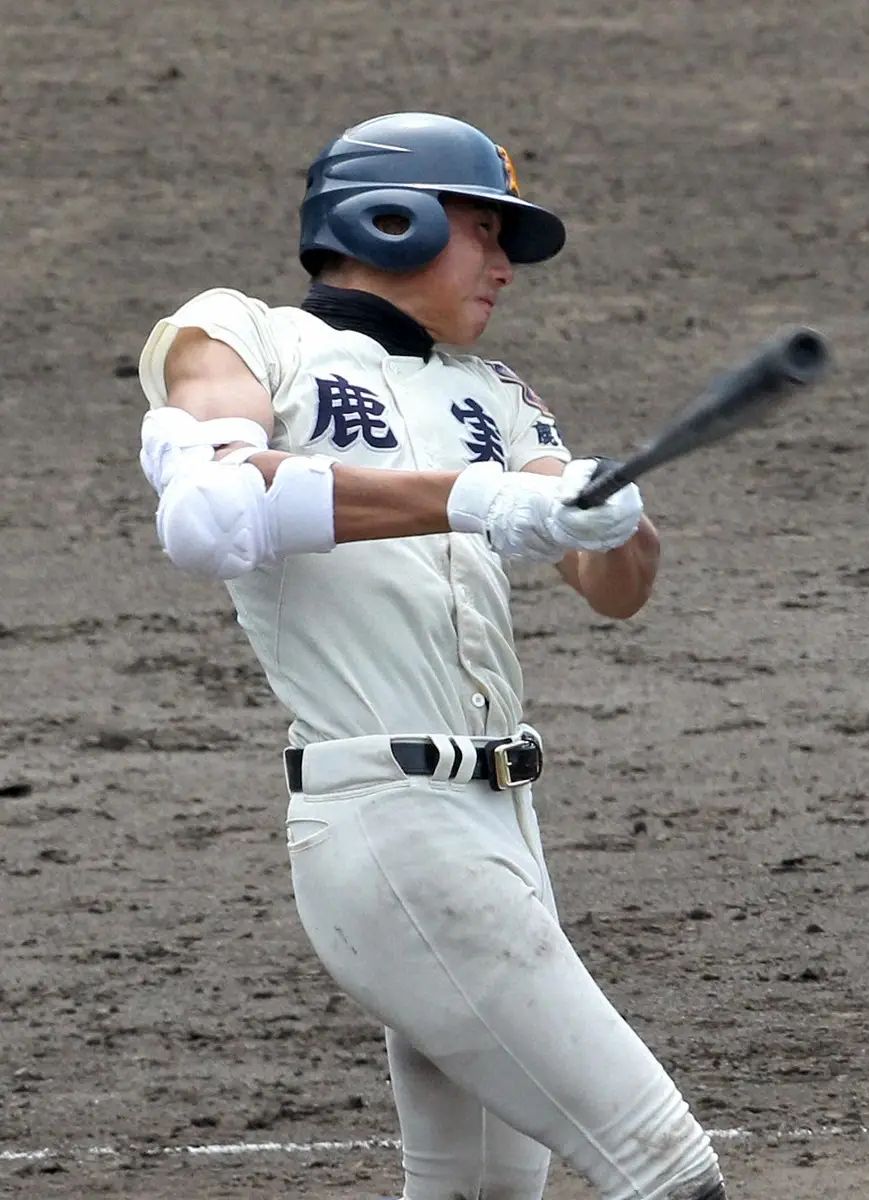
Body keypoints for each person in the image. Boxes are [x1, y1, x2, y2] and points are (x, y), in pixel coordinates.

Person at [137, 112, 727, 1200]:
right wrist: (479, 498)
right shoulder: (241, 336)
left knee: (479, 1194)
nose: (504, 267)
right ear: (389, 219)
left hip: (504, 828)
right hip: (390, 826)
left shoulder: (493, 394)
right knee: (665, 1166)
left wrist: (611, 524)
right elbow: (209, 515)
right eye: (483, 232)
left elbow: (613, 594)